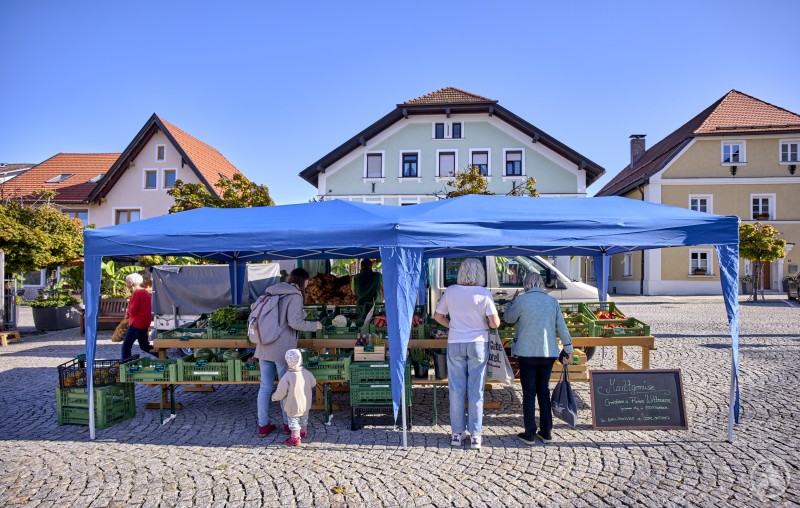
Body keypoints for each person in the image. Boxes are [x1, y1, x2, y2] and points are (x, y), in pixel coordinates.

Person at [433, 258, 500, 450]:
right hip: (478, 343)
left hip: (455, 342)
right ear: (480, 273)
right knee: (476, 389)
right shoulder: (484, 293)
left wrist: (452, 325)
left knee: (456, 389)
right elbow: (494, 323)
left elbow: (438, 316)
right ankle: (476, 435)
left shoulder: (451, 291)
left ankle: (456, 434)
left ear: (461, 272)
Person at [503, 272, 573, 445]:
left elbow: (508, 319)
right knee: (543, 390)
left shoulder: (521, 300)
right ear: (541, 284)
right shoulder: (552, 301)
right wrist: (569, 349)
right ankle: (547, 431)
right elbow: (562, 327)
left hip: (527, 353)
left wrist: (512, 302)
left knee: (528, 393)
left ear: (526, 284)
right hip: (548, 353)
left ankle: (529, 432)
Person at [255, 268, 322, 438]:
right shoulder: (294, 295)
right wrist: (315, 325)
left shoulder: (272, 292)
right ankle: (288, 425)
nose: (307, 284)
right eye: (307, 281)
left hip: (264, 345)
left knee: (265, 387)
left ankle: (263, 426)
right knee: (287, 387)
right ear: (302, 281)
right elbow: (294, 322)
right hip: (281, 348)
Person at [271, 348, 317, 446]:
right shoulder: (306, 373)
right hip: (305, 404)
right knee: (304, 419)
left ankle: (295, 438)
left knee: (294, 422)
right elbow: (313, 382)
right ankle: (303, 432)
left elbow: (281, 392)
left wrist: (274, 397)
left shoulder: (286, 377)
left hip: (292, 406)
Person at [121, 272, 158, 359]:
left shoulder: (136, 293)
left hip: (136, 324)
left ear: (131, 283)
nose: (126, 284)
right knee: (144, 346)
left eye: (126, 282)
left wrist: (127, 312)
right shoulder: (145, 293)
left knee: (126, 347)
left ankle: (125, 365)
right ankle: (164, 358)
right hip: (144, 323)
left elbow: (133, 311)